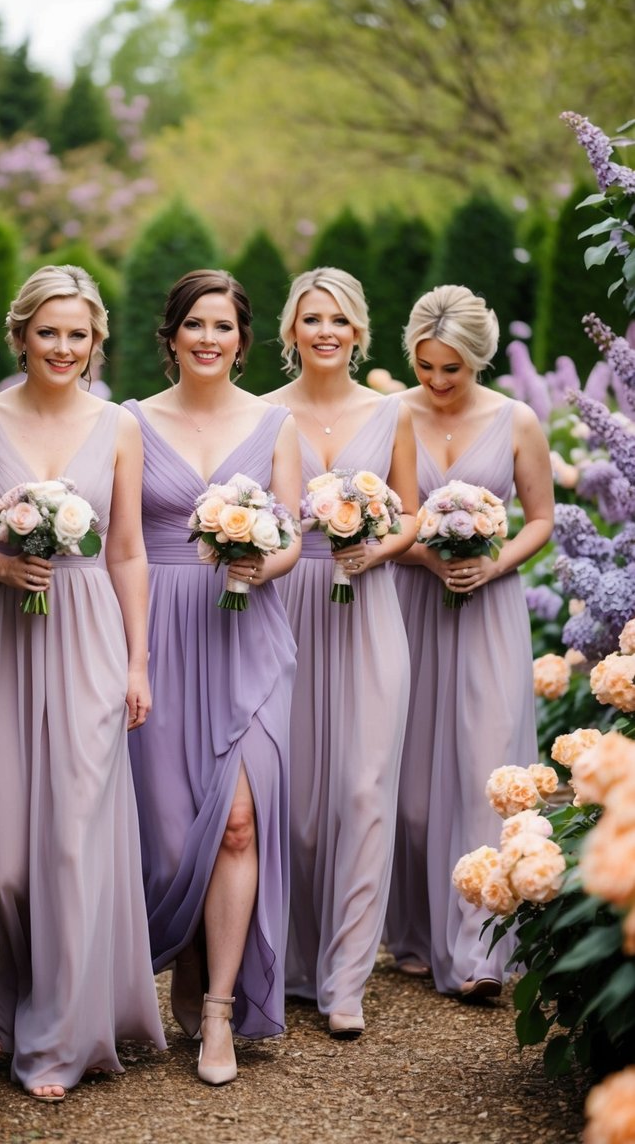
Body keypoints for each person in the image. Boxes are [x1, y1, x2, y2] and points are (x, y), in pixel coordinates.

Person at [0, 265, 165, 1101]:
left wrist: (137, 662)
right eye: (48, 332)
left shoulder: (120, 428)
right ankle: (5, 999)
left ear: (96, 342)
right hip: (0, 637)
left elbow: (128, 551)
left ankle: (61, 1038)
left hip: (91, 637)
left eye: (78, 334)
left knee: (70, 842)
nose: (63, 348)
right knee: (0, 863)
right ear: (20, 334)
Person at [124, 269, 301, 1086]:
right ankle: (188, 955)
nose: (207, 339)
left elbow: (294, 532)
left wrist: (263, 562)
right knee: (167, 836)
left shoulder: (275, 423)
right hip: (158, 627)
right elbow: (117, 542)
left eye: (222, 326)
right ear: (170, 337)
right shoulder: (128, 423)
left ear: (242, 338)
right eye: (193, 324)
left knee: (237, 823)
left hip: (246, 629)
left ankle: (221, 1009)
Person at [385, 283, 554, 999]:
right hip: (412, 602)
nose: (435, 381)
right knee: (414, 784)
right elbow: (392, 519)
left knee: (487, 768)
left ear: (477, 361)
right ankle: (417, 933)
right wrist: (430, 556)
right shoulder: (394, 415)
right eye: (425, 366)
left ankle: (481, 949)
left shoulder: (516, 422)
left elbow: (540, 520)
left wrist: (490, 565)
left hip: (487, 608)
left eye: (449, 368)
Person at [264, 267, 417, 1037]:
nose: (325, 330)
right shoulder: (260, 415)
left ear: (358, 331)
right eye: (310, 318)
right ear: (291, 331)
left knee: (362, 790)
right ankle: (291, 966)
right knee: (294, 804)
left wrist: (376, 547)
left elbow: (412, 514)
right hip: (287, 609)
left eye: (338, 319)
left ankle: (347, 978)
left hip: (367, 610)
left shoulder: (391, 413)